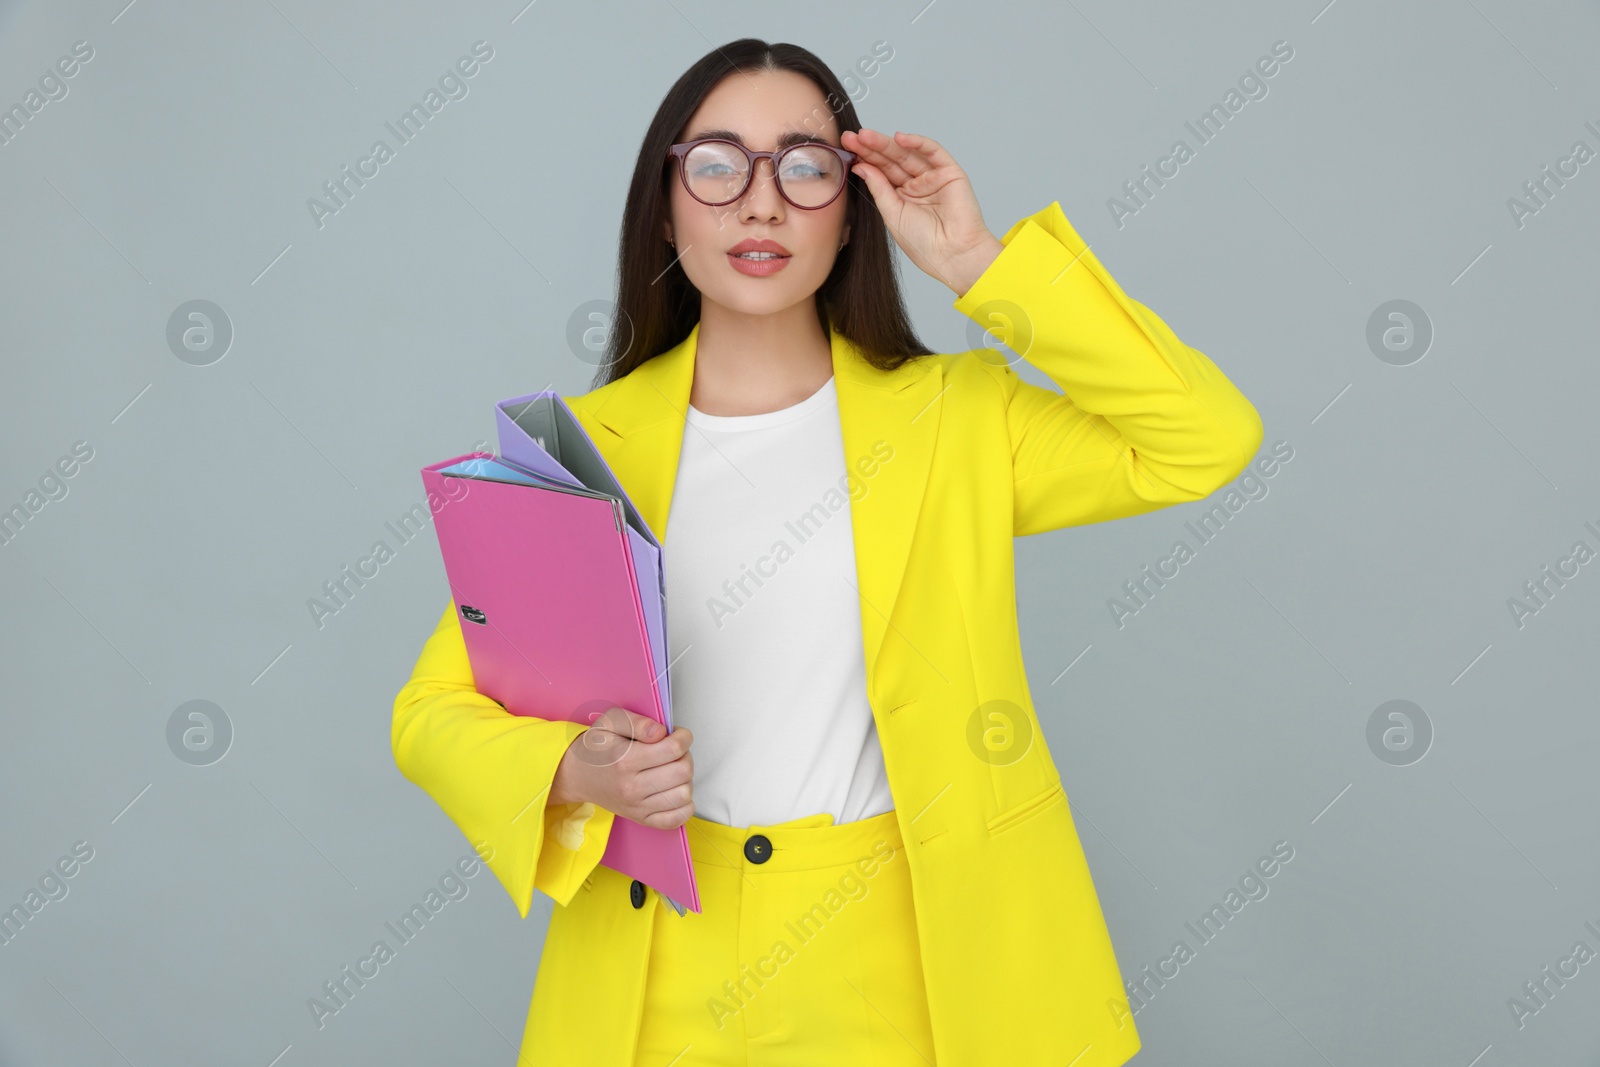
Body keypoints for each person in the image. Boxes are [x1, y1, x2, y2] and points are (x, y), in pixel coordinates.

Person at [392, 37, 1263, 1067]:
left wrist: (981, 265)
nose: (760, 204)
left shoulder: (957, 419)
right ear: (664, 203)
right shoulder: (587, 448)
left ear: (851, 208)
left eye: (802, 167)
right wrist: (574, 769)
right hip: (658, 957)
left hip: (908, 962)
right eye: (717, 165)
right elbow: (431, 714)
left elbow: (1204, 437)